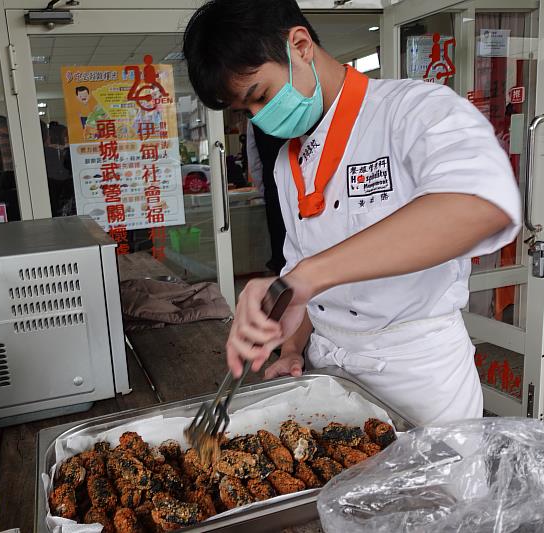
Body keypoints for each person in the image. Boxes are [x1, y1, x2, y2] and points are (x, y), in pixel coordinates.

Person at [183, 0, 521, 425]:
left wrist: (306, 278)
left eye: (261, 96)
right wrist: (292, 346)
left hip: (417, 379)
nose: (259, 118)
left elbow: (480, 204)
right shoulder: (290, 163)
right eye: (246, 111)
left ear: (301, 45)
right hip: (331, 375)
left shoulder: (415, 110)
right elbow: (304, 275)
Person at [246, 120, 287, 275]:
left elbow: (254, 162)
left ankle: (282, 278)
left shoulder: (255, 120)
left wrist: (265, 189)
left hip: (273, 187)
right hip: (307, 184)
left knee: (279, 238)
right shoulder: (299, 108)